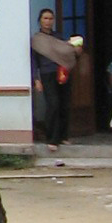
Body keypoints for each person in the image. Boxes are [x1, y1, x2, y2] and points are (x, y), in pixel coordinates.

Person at [31, 8, 84, 152]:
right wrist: (36, 79)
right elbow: (34, 61)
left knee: (64, 103)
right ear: (40, 20)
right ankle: (52, 138)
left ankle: (63, 136)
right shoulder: (37, 40)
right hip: (47, 74)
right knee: (53, 104)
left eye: (50, 18)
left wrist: (76, 51)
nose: (48, 21)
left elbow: (68, 53)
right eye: (45, 18)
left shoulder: (58, 37)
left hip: (62, 72)